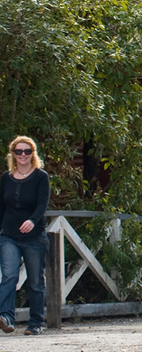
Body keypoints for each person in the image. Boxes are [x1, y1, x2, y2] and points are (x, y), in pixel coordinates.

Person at [0, 136, 51, 335]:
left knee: (35, 281)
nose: (23, 155)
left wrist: (32, 220)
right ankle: (6, 317)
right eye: (19, 151)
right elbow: (1, 207)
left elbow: (42, 204)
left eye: (27, 151)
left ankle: (36, 323)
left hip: (34, 235)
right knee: (9, 276)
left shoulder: (40, 176)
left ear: (32, 154)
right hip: (9, 235)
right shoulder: (6, 178)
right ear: (13, 154)